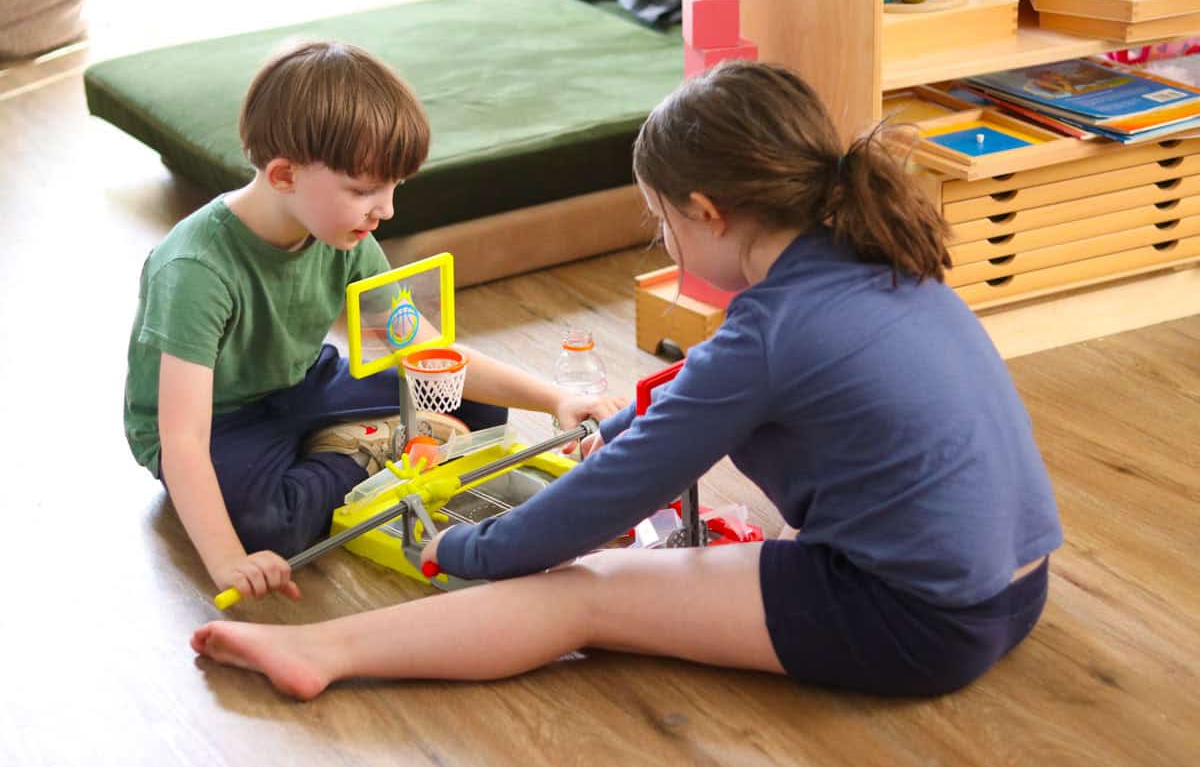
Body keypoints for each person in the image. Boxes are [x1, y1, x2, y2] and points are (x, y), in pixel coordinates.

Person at [190, 60, 1063, 701]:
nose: (666, 243)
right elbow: (691, 413)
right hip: (1019, 590)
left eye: (662, 223)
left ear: (708, 212)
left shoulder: (766, 334)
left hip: (921, 627)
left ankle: (327, 653)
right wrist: (627, 427)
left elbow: (603, 500)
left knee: (583, 597)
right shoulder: (880, 260)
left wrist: (470, 549)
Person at [125, 40, 624, 606]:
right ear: (285, 175)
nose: (384, 209)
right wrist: (225, 560)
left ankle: (356, 447)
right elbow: (183, 438)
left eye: (392, 188)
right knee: (271, 528)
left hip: (302, 382)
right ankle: (360, 450)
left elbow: (422, 352)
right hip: (220, 420)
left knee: (477, 404)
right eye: (363, 191)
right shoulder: (197, 268)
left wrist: (555, 398)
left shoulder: (346, 233)